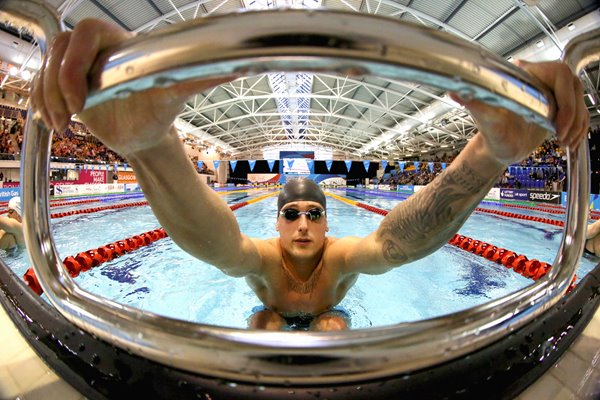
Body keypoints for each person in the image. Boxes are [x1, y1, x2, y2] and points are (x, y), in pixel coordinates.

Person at [31, 19, 589, 331]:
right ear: (276, 223)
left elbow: (394, 243)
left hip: (330, 319)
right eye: (293, 213)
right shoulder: (264, 259)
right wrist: (151, 147)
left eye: (314, 214)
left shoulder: (342, 259)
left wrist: (488, 155)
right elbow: (220, 245)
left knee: (333, 330)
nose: (303, 223)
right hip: (268, 317)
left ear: (328, 225)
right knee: (262, 326)